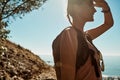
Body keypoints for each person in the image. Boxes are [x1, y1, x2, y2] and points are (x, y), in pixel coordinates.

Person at [52, 0, 114, 80]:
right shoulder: (70, 34)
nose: (94, 10)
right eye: (90, 5)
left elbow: (108, 24)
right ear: (77, 7)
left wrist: (105, 6)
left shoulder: (85, 36)